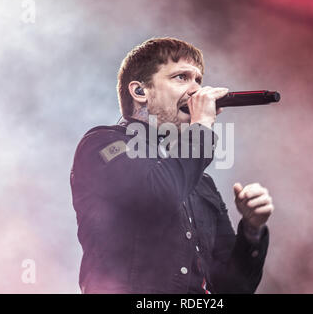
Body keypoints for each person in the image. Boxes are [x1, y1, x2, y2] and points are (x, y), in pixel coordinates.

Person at [70, 37, 274, 294]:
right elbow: (158, 195)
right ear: (140, 91)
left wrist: (252, 229)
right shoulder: (101, 143)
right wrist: (201, 126)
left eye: (198, 80)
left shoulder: (200, 181)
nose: (195, 90)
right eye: (181, 77)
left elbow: (233, 287)